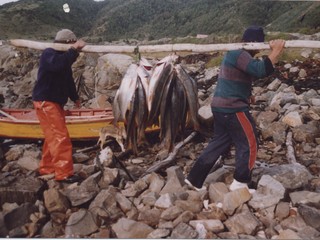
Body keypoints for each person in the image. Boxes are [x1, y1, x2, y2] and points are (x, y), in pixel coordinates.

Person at [185, 26, 285, 191]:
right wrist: (276, 51)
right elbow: (260, 70)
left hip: (220, 107)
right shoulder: (240, 53)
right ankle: (241, 182)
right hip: (233, 109)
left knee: (218, 143)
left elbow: (239, 76)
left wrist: (247, 94)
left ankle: (194, 179)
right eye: (260, 43)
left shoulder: (237, 54)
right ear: (254, 43)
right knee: (250, 142)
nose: (260, 48)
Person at [32, 29, 86, 183]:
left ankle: (47, 168)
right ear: (68, 43)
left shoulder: (63, 59)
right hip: (46, 102)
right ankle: (64, 173)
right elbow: (57, 66)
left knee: (52, 137)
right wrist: (74, 49)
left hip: (53, 102)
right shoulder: (49, 54)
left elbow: (68, 80)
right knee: (60, 137)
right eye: (72, 44)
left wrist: (75, 98)